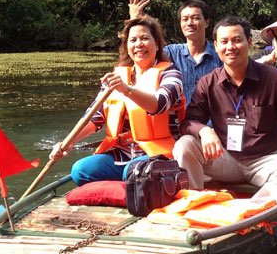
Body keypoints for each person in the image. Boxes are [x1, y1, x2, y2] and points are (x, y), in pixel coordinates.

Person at [173, 16, 277, 204]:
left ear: (249, 42)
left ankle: (251, 211)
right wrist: (204, 130)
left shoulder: (275, 79)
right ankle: (195, 200)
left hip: (264, 160)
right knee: (184, 145)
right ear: (216, 46)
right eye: (224, 42)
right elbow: (188, 122)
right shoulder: (208, 83)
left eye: (237, 40)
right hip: (225, 158)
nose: (230, 47)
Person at [49, 16, 185, 185]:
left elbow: (159, 104)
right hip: (122, 153)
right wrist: (66, 143)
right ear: (127, 47)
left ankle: (134, 186)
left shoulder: (171, 74)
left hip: (158, 154)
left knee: (134, 173)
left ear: (157, 44)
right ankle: (129, 187)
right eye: (133, 40)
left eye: (144, 38)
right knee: (80, 170)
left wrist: (127, 90)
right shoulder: (118, 77)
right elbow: (94, 118)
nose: (138, 44)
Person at [129, 0, 220, 104]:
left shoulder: (220, 54)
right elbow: (142, 54)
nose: (189, 23)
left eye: (195, 18)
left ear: (207, 22)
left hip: (211, 121)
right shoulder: (170, 53)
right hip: (178, 120)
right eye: (185, 19)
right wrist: (135, 20)